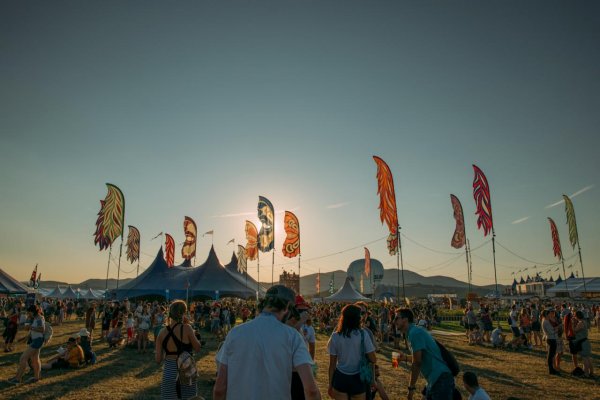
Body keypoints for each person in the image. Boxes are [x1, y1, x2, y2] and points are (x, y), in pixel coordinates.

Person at [213, 285, 320, 400]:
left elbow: (219, 389)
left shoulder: (234, 333)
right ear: (288, 307)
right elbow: (311, 390)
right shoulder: (292, 337)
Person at [395, 308, 455, 400]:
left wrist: (411, 388)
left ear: (405, 319)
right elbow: (420, 358)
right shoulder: (413, 332)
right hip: (434, 380)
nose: (394, 321)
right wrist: (405, 358)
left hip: (440, 379)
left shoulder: (414, 333)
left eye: (396, 318)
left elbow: (417, 363)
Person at [327, 304, 377, 400]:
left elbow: (332, 365)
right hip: (358, 377)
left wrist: (330, 385)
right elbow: (373, 359)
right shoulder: (363, 334)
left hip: (340, 377)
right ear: (357, 318)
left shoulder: (335, 336)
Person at [156, 300, 202, 400]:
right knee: (190, 398)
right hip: (187, 369)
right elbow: (198, 348)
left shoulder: (162, 332)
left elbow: (158, 359)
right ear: (184, 313)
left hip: (169, 370)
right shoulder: (187, 328)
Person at [8, 305, 45, 384]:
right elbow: (35, 330)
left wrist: (31, 327)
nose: (28, 314)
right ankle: (36, 377)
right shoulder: (36, 318)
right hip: (36, 340)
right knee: (35, 359)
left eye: (29, 312)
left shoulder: (39, 318)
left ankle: (18, 379)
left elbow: (42, 329)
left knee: (23, 358)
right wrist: (26, 337)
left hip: (37, 341)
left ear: (33, 311)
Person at [572, 310, 594, 378]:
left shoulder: (581, 323)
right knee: (588, 358)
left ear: (577, 316)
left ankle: (586, 374)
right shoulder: (584, 321)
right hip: (585, 341)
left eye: (574, 315)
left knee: (585, 358)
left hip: (583, 342)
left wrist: (573, 323)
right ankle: (591, 372)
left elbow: (574, 331)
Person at [542, 309, 559, 375]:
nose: (550, 315)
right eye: (549, 313)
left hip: (551, 338)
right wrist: (556, 329)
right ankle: (551, 369)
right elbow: (551, 331)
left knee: (551, 355)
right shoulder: (546, 321)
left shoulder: (546, 321)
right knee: (551, 355)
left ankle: (552, 369)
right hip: (551, 338)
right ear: (546, 314)